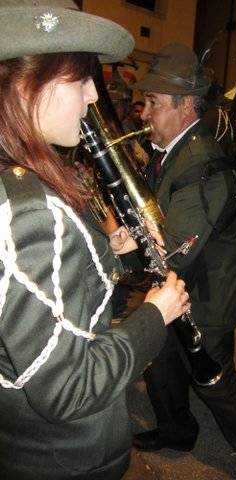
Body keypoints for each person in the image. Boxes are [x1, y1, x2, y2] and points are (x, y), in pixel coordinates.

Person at [0, 2, 190, 479]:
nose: (92, 98)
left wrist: (109, 251)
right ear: (26, 84)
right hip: (63, 458)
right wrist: (155, 315)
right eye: (80, 80)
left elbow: (37, 294)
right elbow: (68, 388)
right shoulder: (30, 212)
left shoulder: (17, 184)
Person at [130, 43, 236, 480]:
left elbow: (179, 246)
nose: (144, 113)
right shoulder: (175, 151)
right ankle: (177, 431)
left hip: (209, 297)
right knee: (161, 360)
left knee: (216, 382)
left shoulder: (203, 163)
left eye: (154, 103)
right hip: (180, 288)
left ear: (185, 107)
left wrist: (128, 245)